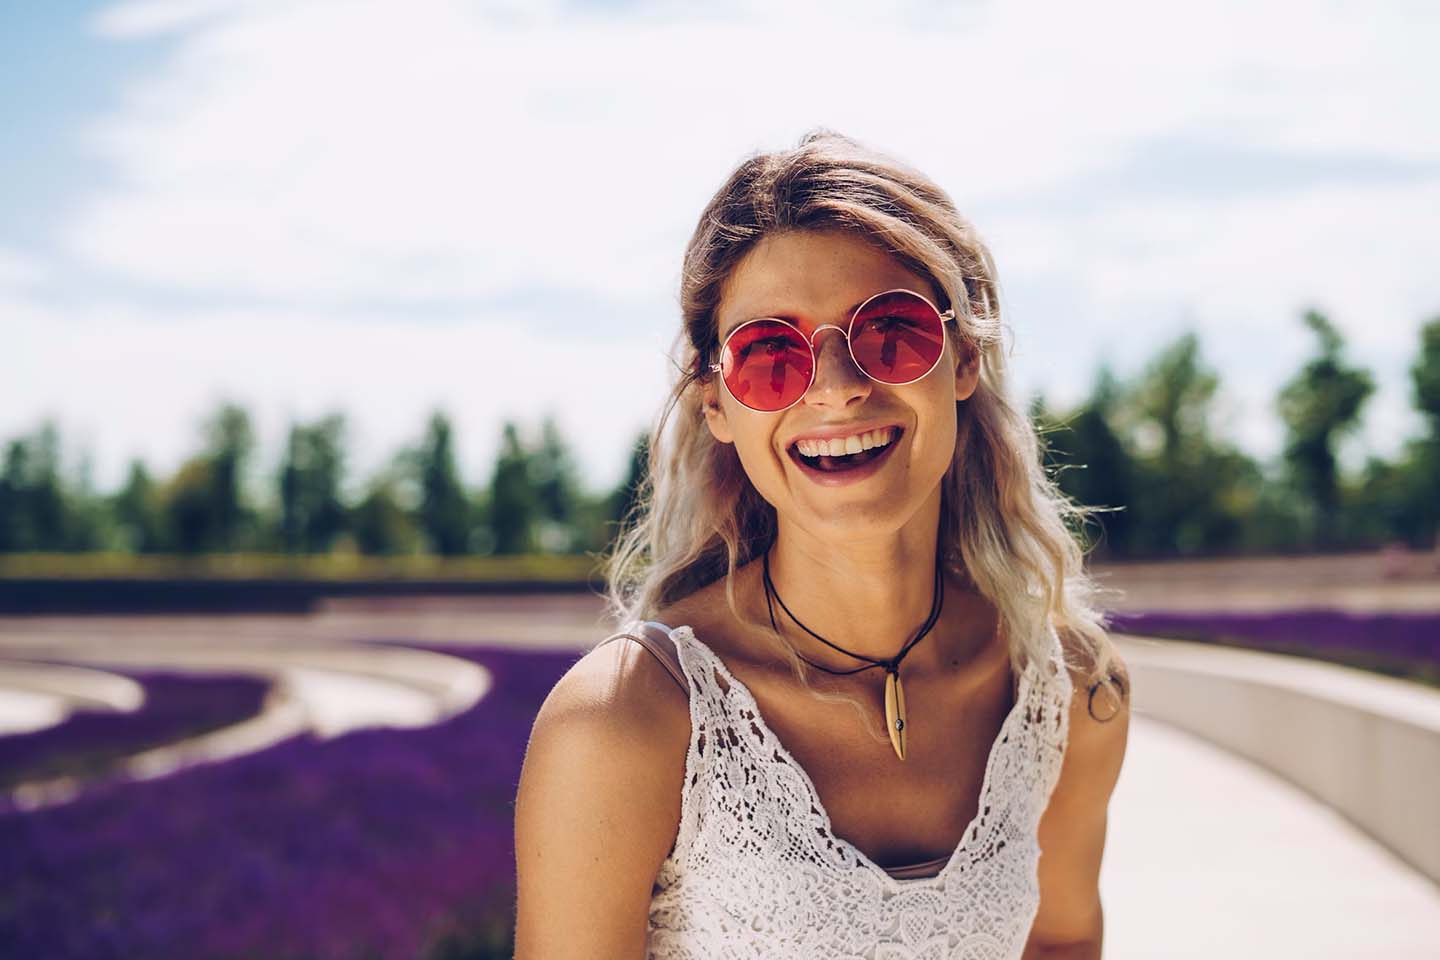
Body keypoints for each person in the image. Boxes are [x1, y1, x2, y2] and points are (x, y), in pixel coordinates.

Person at [513, 129, 1131, 959]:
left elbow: (1062, 940)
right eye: (772, 355)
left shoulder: (1070, 693)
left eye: (892, 332)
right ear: (718, 404)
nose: (837, 390)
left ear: (962, 360)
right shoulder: (626, 720)